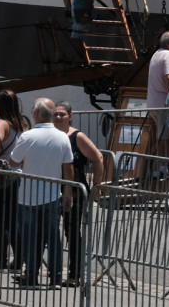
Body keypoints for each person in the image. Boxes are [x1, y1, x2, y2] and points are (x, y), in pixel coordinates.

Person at [9, 98, 73, 289]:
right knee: (53, 238)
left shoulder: (27, 136)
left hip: (28, 196)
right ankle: (55, 278)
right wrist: (67, 192)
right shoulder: (63, 137)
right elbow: (68, 167)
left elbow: (13, 161)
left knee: (30, 237)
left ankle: (31, 275)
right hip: (53, 195)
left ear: (36, 114)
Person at [52, 100, 104, 287]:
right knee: (48, 229)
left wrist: (97, 186)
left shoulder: (77, 137)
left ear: (70, 116)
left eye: (62, 114)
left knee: (72, 232)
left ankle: (75, 274)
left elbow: (98, 158)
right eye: (55, 114)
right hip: (52, 187)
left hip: (75, 190)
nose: (58, 117)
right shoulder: (51, 135)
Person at [0, 90, 30, 273]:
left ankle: (0, 260)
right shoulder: (22, 124)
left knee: (0, 219)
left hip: (2, 175)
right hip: (18, 175)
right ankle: (18, 259)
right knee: (14, 219)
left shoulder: (2, 123)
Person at [146, 32, 169, 159]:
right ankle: (160, 169)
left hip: (153, 104)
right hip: (164, 104)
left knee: (163, 136)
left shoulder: (156, 54)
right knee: (164, 138)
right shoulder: (168, 54)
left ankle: (167, 166)